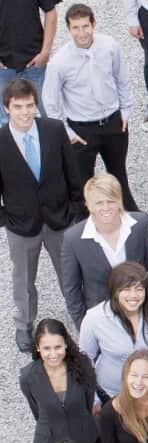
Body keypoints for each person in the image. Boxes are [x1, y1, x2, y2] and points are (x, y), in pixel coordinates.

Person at [0, 78, 85, 352]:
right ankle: (24, 325)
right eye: (18, 107)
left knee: (70, 275)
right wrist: (6, 219)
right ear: (7, 109)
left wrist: (75, 208)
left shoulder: (53, 129)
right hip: (22, 226)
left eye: (29, 106)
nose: (25, 112)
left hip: (60, 219)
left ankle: (82, 319)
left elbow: (72, 170)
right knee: (23, 281)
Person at [43, 5, 138, 212]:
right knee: (82, 179)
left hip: (113, 122)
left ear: (93, 24)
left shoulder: (110, 47)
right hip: (82, 130)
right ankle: (87, 221)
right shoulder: (59, 62)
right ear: (68, 29)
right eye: (75, 28)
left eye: (85, 26)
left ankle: (129, 212)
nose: (81, 32)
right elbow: (50, 102)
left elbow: (121, 79)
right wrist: (67, 133)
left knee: (118, 172)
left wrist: (125, 111)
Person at [61, 174, 148, 331]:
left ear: (119, 200)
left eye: (111, 201)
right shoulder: (74, 239)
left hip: (142, 313)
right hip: (103, 323)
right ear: (88, 205)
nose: (106, 208)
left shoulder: (139, 225)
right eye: (99, 203)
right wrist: (85, 326)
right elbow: (72, 291)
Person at [78, 262, 148, 399]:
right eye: (126, 289)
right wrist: (94, 399)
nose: (133, 295)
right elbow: (85, 360)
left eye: (139, 289)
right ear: (114, 291)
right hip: (114, 392)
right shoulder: (94, 318)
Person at [21, 319, 104, 443]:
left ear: (66, 344)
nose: (53, 354)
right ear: (38, 348)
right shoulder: (28, 377)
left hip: (85, 440)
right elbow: (37, 411)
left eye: (58, 347)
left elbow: (87, 403)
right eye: (47, 348)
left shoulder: (83, 366)